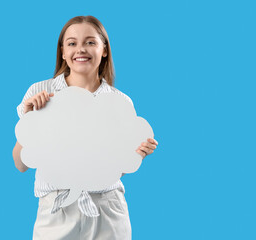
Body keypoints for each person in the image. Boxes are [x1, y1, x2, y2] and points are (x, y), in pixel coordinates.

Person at [12, 15, 158, 240]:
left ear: (105, 49)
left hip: (107, 210)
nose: (81, 49)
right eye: (72, 43)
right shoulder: (40, 92)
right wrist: (31, 121)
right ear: (62, 51)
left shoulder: (119, 102)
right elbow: (21, 164)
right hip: (55, 210)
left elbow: (109, 170)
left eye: (90, 42)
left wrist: (135, 155)